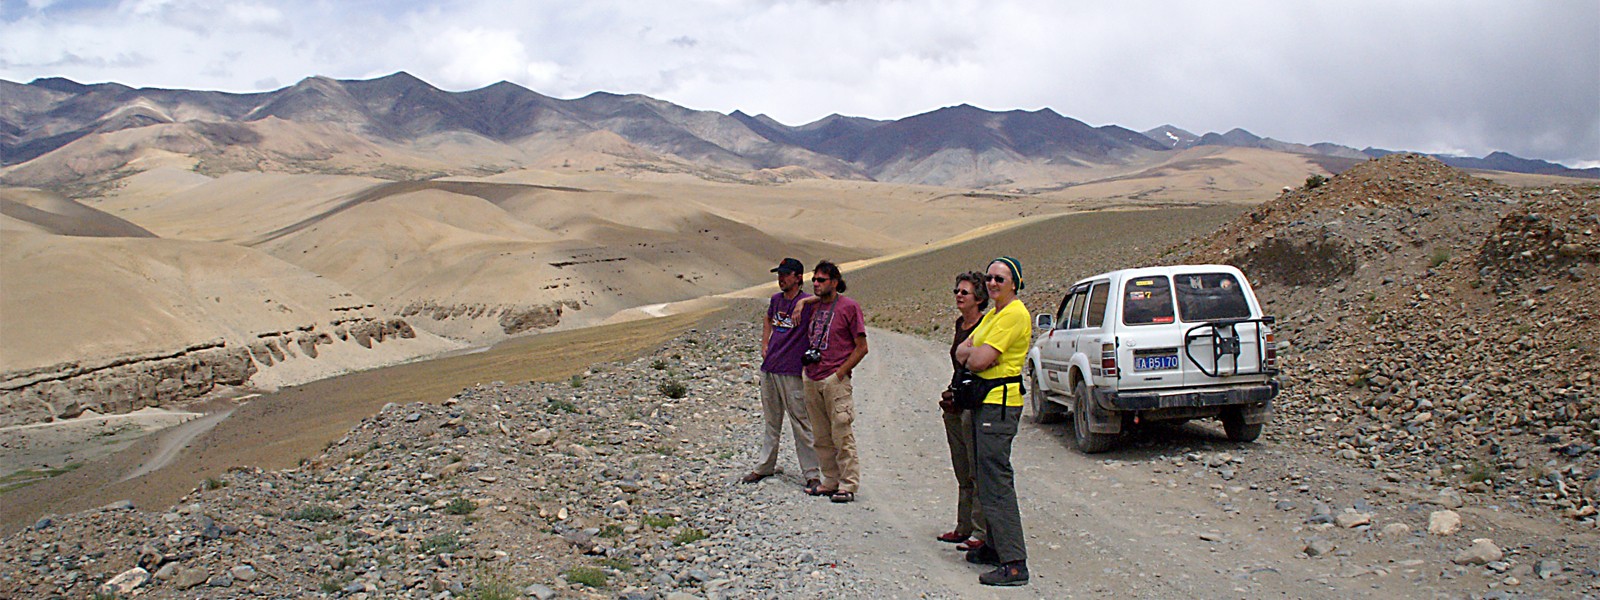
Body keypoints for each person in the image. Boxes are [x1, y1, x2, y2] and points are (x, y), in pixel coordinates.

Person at [954, 256, 1032, 586]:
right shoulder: (996, 314)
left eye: (1000, 278)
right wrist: (974, 354)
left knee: (997, 482)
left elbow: (980, 357)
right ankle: (993, 546)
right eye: (989, 278)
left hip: (1000, 406)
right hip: (984, 402)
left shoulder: (1014, 314)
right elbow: (962, 350)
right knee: (984, 478)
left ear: (1014, 283)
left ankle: (1014, 562)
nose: (993, 283)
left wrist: (976, 355)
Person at [741, 258, 822, 491]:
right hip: (770, 369)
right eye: (780, 274)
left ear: (798, 277)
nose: (781, 278)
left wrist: (805, 301)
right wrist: (764, 343)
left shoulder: (806, 303)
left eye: (786, 274)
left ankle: (812, 474)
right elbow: (768, 318)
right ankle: (765, 466)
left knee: (801, 423)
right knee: (771, 422)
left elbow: (833, 297)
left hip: (792, 371)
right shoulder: (776, 300)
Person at [795, 260, 869, 503]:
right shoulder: (814, 307)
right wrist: (803, 301)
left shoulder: (849, 307)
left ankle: (848, 484)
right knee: (821, 436)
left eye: (821, 280)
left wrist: (839, 374)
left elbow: (861, 348)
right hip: (812, 377)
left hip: (834, 380)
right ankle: (830, 481)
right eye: (813, 280)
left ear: (835, 282)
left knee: (841, 433)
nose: (816, 284)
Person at [937, 271, 989, 551]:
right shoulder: (961, 324)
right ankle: (963, 525)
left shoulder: (986, 326)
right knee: (961, 467)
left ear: (979, 298)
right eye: (956, 290)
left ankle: (979, 531)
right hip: (955, 403)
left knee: (976, 468)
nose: (958, 295)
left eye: (964, 292)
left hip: (975, 404)